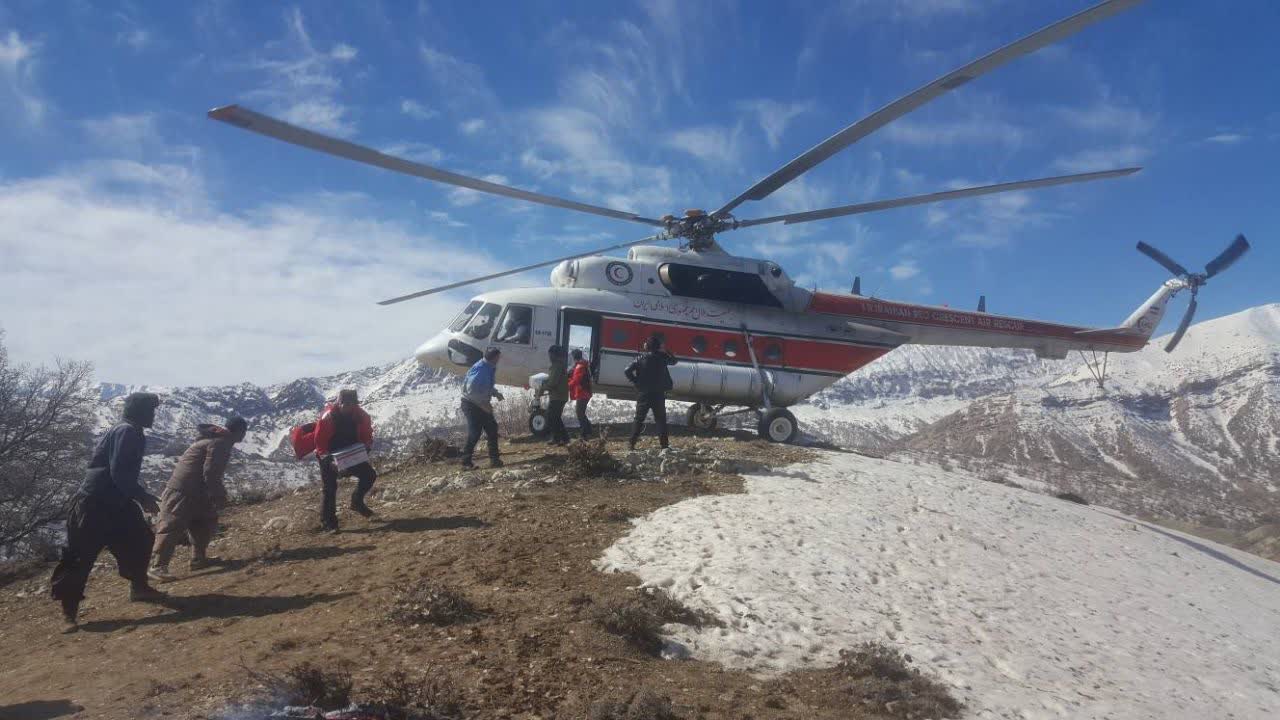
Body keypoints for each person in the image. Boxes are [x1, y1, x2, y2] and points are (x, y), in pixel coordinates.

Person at [51, 392, 168, 626]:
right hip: (94, 504)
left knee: (141, 540)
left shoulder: (131, 430)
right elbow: (119, 473)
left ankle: (140, 587)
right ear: (140, 412)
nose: (154, 415)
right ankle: (69, 612)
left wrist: (135, 495)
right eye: (151, 410)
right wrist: (142, 496)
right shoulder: (127, 431)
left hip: (116, 501)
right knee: (80, 557)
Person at [148, 417, 247, 582]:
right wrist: (219, 495)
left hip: (197, 490)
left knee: (205, 521)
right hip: (184, 490)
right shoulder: (220, 443)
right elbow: (210, 472)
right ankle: (157, 566)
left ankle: (198, 559)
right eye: (244, 432)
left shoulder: (217, 440)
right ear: (239, 431)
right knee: (172, 526)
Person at [314, 389, 376, 532]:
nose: (347, 406)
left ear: (355, 404)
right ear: (338, 403)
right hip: (328, 455)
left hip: (350, 453)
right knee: (330, 488)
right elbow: (320, 444)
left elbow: (367, 436)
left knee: (369, 475)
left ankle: (357, 502)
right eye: (344, 403)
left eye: (351, 403)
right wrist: (329, 461)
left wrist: (365, 449)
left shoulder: (361, 416)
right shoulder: (327, 418)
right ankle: (329, 523)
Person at [625, 335, 677, 450]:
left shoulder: (640, 358)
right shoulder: (663, 357)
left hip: (644, 393)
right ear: (658, 347)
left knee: (639, 419)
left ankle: (631, 444)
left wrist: (636, 382)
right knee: (660, 420)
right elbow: (674, 361)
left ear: (647, 346)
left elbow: (627, 370)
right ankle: (664, 446)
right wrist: (666, 350)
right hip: (658, 394)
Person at [460, 347, 505, 469]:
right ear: (494, 357)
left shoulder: (487, 366)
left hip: (478, 403)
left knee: (491, 428)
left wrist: (495, 393)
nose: (499, 359)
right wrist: (484, 406)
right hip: (471, 404)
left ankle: (494, 460)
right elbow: (472, 390)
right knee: (475, 432)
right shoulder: (481, 369)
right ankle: (465, 462)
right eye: (498, 357)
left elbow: (484, 385)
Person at [539, 345, 571, 446]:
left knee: (551, 417)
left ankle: (561, 438)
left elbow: (553, 383)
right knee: (555, 417)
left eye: (550, 354)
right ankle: (562, 438)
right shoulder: (559, 365)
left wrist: (542, 387)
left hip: (558, 396)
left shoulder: (557, 366)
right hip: (559, 395)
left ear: (554, 355)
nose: (549, 357)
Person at [568, 348, 594, 439]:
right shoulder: (582, 365)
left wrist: (567, 385)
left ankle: (584, 433)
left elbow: (576, 380)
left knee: (579, 413)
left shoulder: (580, 366)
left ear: (574, 357)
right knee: (581, 413)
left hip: (582, 393)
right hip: (584, 392)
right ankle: (589, 430)